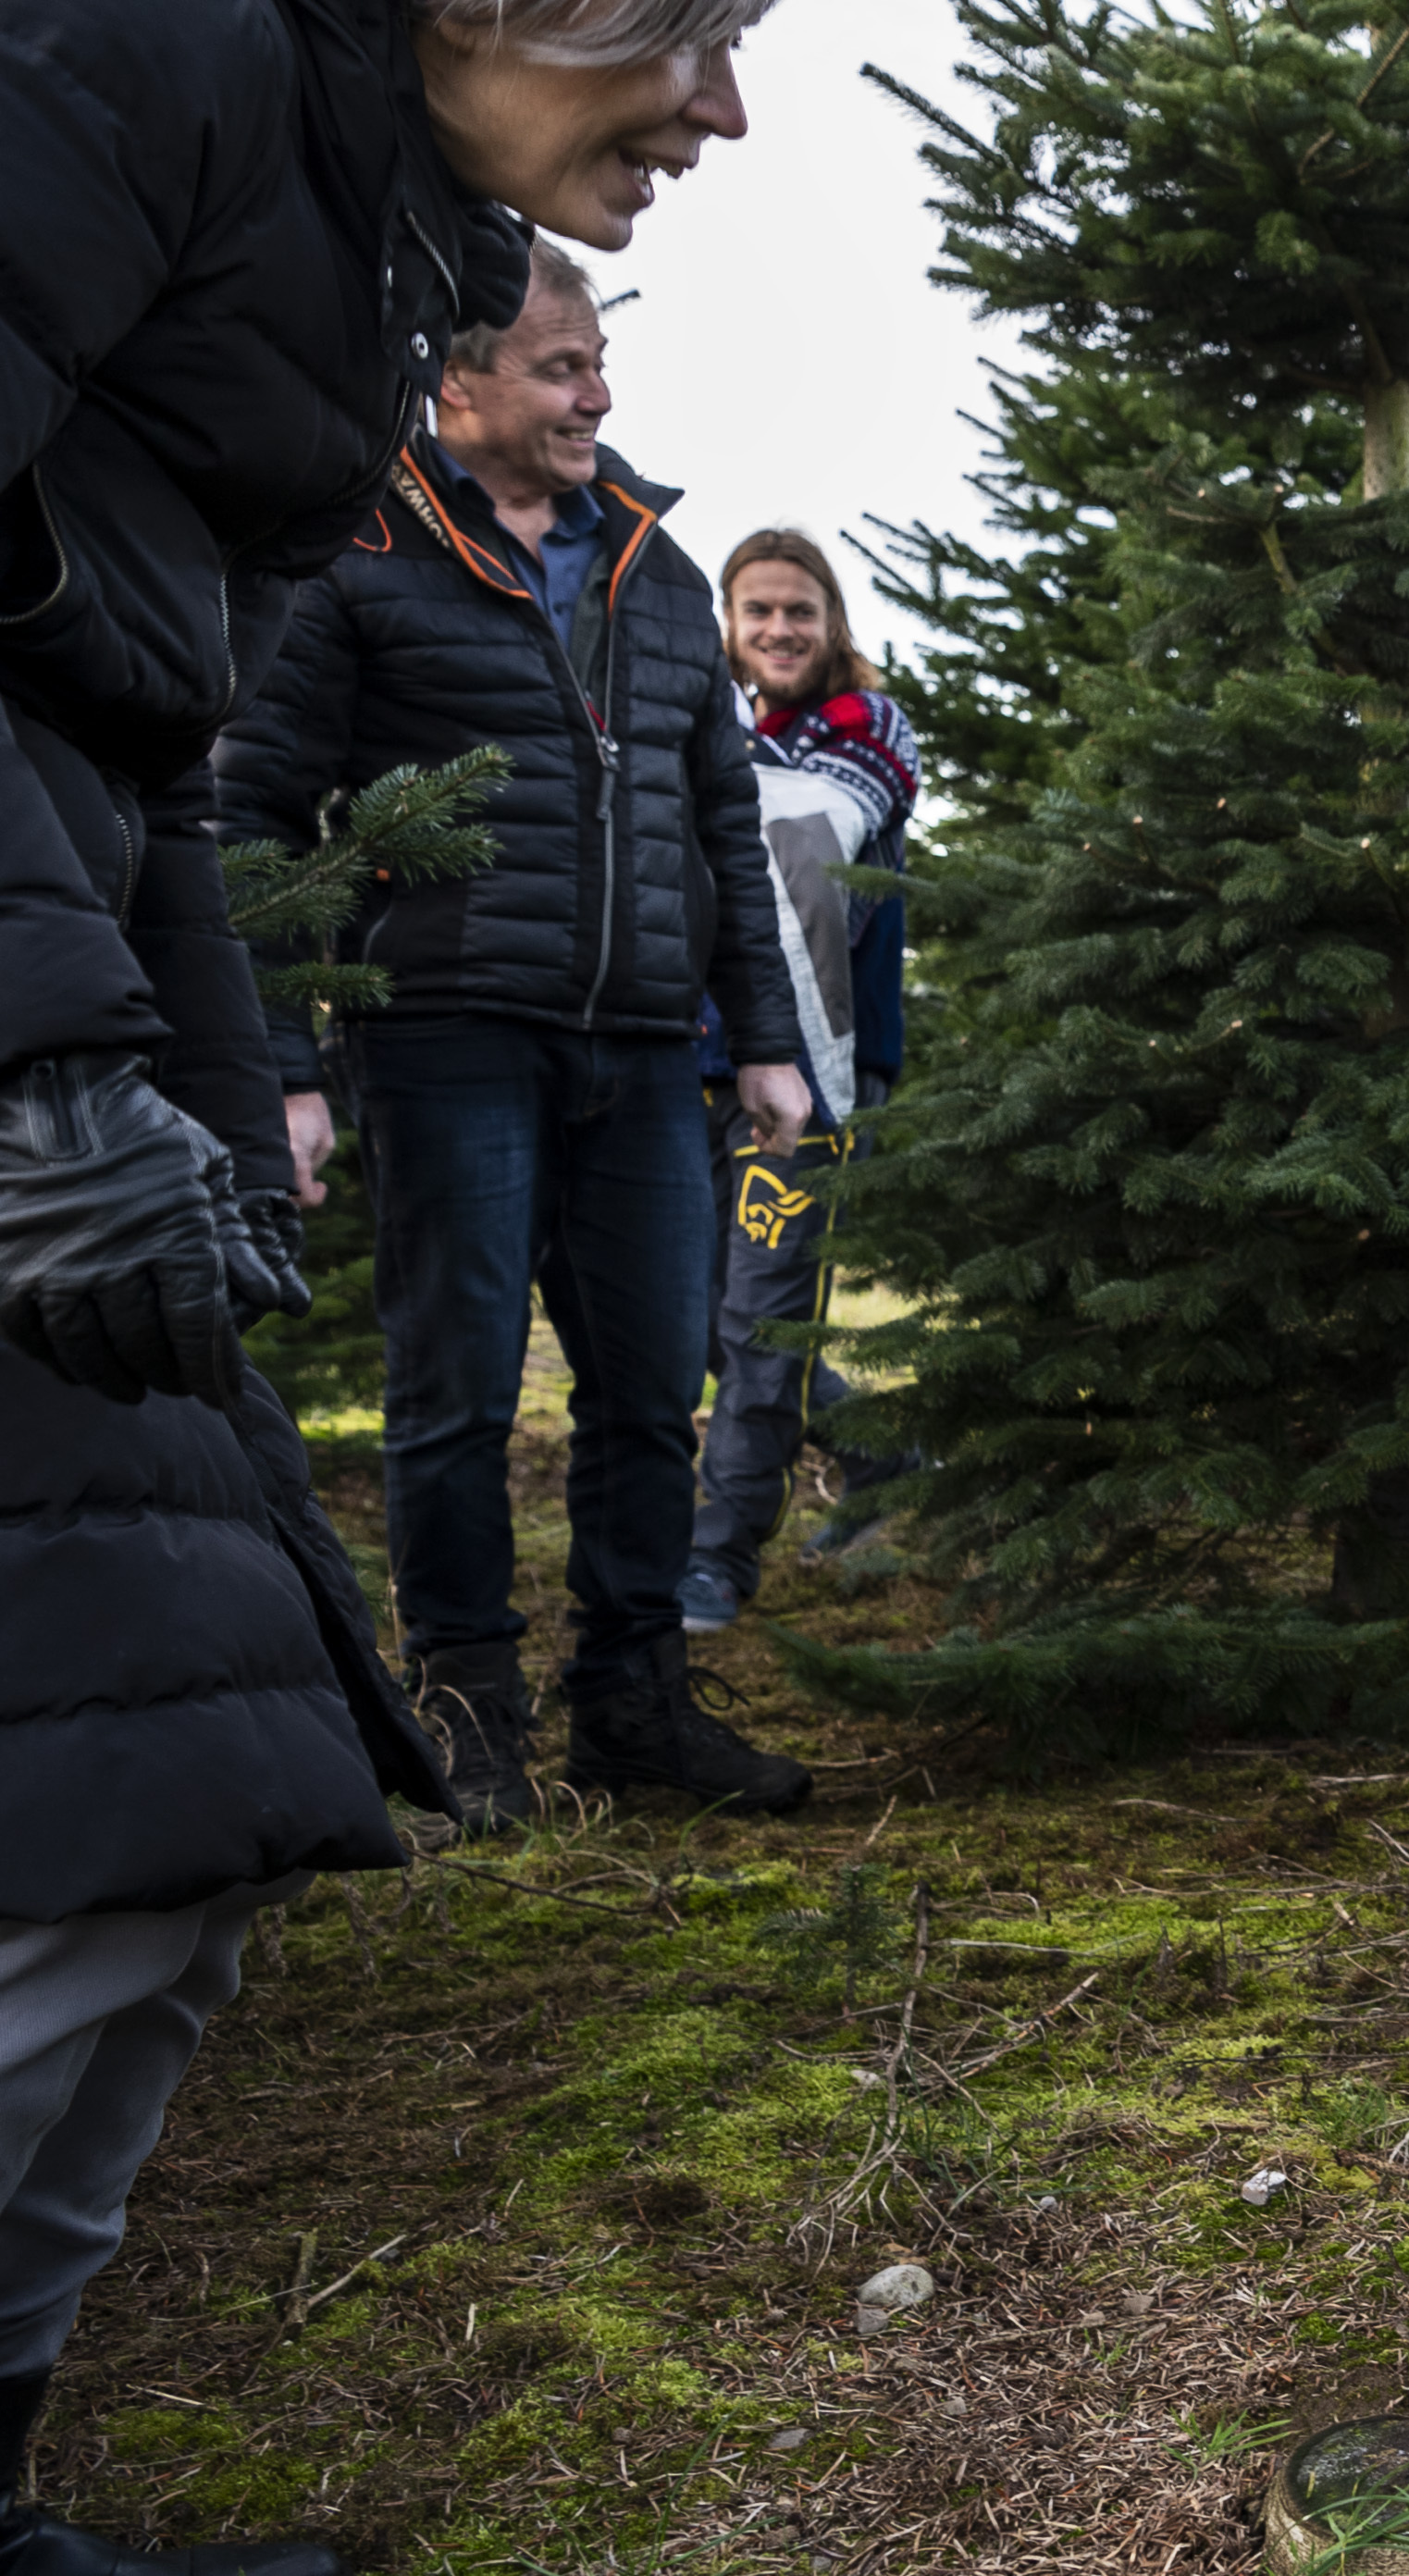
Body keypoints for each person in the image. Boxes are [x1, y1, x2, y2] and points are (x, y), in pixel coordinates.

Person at [0, 5, 772, 2570]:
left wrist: (188, 1097)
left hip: (138, 1025)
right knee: (117, 1792)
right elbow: (242, 757)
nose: (723, 106)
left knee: (183, 1804)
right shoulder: (135, 63)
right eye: (693, 22)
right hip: (149, 1047)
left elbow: (131, 743)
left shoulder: (357, 227)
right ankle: (492, 1678)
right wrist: (46, 1063)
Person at [218, 242, 818, 1832]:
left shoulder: (659, 569)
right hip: (448, 1043)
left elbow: (717, 822)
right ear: (458, 383)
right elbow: (256, 817)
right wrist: (283, 1062)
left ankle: (634, 1702)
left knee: (647, 1389)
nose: (597, 395)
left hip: (642, 1049)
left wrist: (763, 1037)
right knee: (459, 1389)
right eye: (562, 369)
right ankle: (466, 1708)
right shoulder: (359, 557)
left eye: (600, 366)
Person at [679, 530, 919, 1634]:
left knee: (763, 1322)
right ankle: (885, 1455)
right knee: (693, 1321)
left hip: (815, 1071)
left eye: (800, 611)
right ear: (727, 624)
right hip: (690, 1060)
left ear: (833, 624)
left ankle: (715, 1564)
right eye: (757, 611)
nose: (779, 630)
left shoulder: (867, 731)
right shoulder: (713, 726)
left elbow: (802, 839)